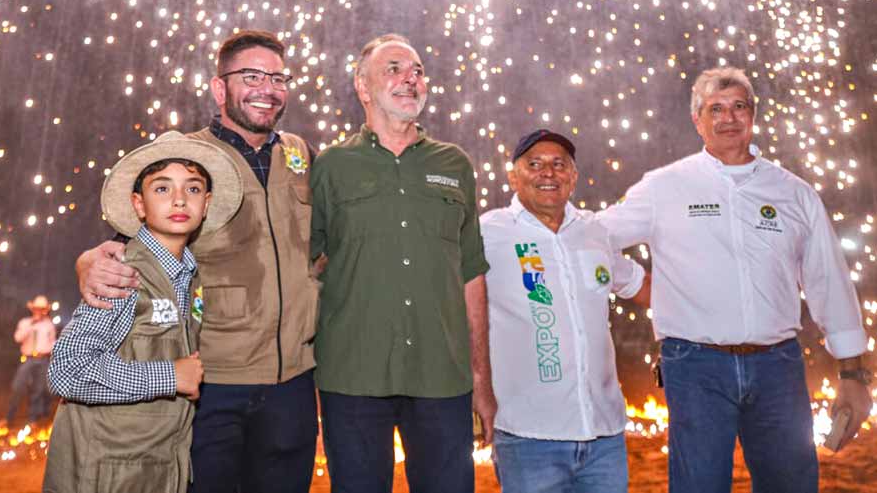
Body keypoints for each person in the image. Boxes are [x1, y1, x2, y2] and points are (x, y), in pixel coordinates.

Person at [598, 66, 872, 493]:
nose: (728, 118)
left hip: (777, 366)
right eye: (716, 109)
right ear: (697, 120)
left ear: (753, 115)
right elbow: (591, 238)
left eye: (739, 107)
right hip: (695, 366)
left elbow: (829, 283)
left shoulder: (793, 192)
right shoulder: (664, 187)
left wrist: (854, 376)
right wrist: (633, 282)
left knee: (792, 485)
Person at [73, 30, 320, 493]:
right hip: (212, 383)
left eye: (278, 77)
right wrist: (88, 260)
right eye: (251, 76)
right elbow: (130, 241)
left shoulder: (301, 154)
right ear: (218, 87)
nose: (267, 88)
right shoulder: (186, 156)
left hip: (293, 384)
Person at [310, 33, 495, 493]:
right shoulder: (330, 167)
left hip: (441, 378)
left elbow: (472, 273)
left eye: (417, 70)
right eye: (393, 68)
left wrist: (481, 379)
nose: (410, 79)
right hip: (351, 377)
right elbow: (306, 270)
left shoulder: (454, 164)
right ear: (363, 86)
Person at [43, 130, 243, 493]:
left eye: (193, 189)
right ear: (139, 204)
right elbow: (67, 370)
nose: (180, 199)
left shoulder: (189, 276)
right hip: (104, 472)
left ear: (207, 202)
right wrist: (170, 377)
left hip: (157, 466)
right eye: (163, 188)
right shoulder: (122, 274)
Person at [481, 129, 650, 493]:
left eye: (559, 165)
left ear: (573, 177)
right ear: (513, 176)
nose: (548, 173)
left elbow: (644, 288)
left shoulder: (594, 231)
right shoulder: (487, 234)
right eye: (535, 164)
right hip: (530, 438)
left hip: (604, 438)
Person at [4, 295, 57, 426]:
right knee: (18, 386)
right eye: (37, 309)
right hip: (28, 359)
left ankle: (32, 419)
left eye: (42, 309)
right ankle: (9, 417)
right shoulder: (24, 322)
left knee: (38, 389)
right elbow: (17, 338)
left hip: (43, 359)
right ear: (33, 309)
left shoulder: (49, 325)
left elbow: (53, 342)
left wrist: (49, 350)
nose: (39, 311)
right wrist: (31, 325)